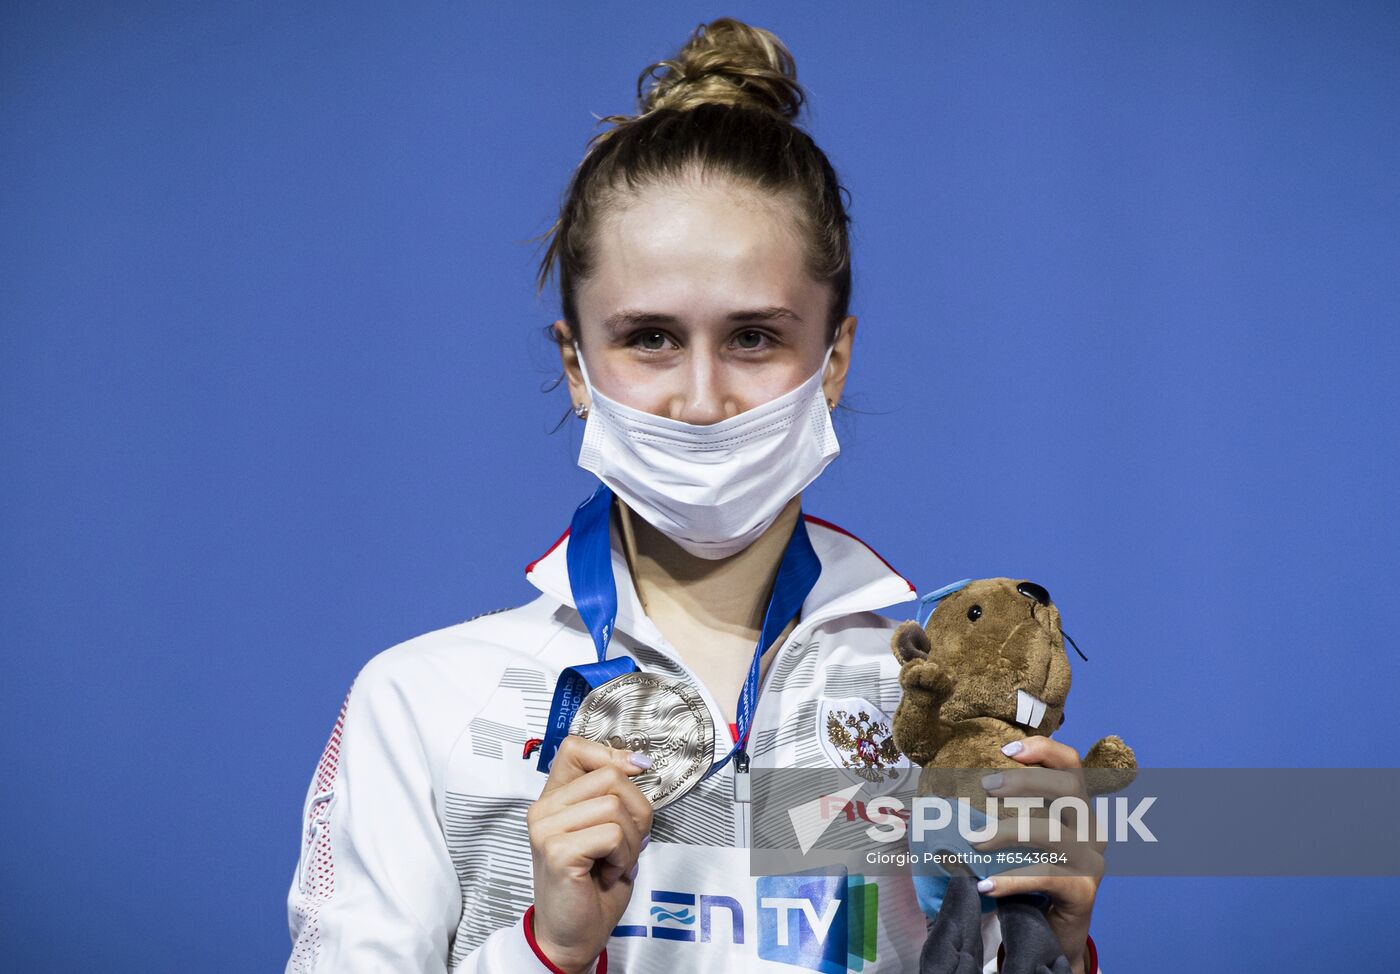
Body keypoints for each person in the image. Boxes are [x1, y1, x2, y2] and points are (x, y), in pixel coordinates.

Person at [285, 18, 1104, 974]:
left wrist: (1061, 948)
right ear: (577, 364)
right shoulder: (421, 703)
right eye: (649, 338)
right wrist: (548, 951)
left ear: (833, 360)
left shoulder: (935, 703)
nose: (704, 399)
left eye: (754, 337)